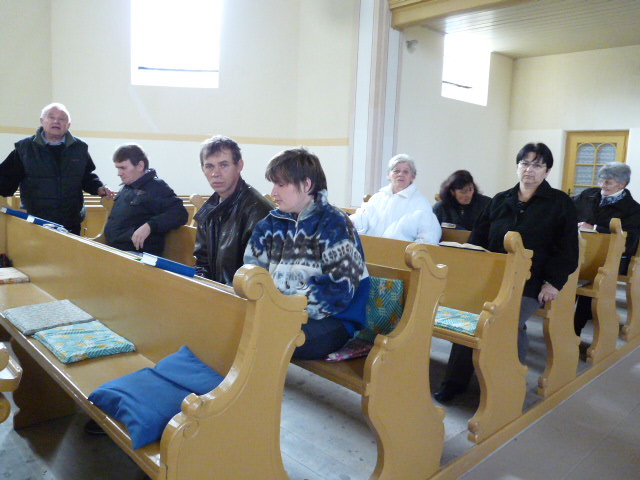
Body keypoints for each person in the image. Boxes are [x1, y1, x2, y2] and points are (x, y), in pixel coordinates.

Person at [434, 142, 579, 403]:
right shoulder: (501, 200)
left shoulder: (560, 203)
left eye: (537, 165)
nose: (529, 170)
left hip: (532, 282)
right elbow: (478, 238)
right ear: (517, 166)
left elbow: (567, 249)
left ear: (547, 171)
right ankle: (454, 382)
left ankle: (509, 385)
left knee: (507, 320)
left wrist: (553, 283)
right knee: (471, 314)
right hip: (493, 277)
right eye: (525, 163)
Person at [244, 147, 370, 360]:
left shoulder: (335, 224)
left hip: (333, 319)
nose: (273, 192)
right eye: (273, 184)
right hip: (281, 311)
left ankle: (252, 383)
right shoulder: (270, 224)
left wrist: (282, 307)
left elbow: (337, 290)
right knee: (235, 325)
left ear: (307, 185)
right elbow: (253, 272)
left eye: (281, 185)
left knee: (265, 337)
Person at [0, 103, 113, 234]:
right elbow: (6, 178)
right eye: (51, 117)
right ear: (42, 121)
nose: (56, 121)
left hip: (71, 222)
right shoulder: (25, 148)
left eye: (62, 118)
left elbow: (86, 176)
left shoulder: (79, 148)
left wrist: (98, 187)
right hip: (36, 222)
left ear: (68, 125)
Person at [193, 135, 273, 285]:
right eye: (209, 166)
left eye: (224, 165)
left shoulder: (258, 211)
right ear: (202, 169)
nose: (215, 173)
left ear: (239, 165)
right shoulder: (208, 210)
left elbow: (257, 277)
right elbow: (202, 262)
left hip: (242, 295)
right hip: (215, 292)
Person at [572, 162, 640, 336]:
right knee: (565, 268)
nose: (602, 185)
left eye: (608, 182)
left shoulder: (633, 209)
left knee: (592, 274)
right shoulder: (588, 195)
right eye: (601, 180)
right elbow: (567, 210)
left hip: (612, 258)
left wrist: (595, 228)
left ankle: (576, 328)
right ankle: (562, 318)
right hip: (581, 252)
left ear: (622, 184)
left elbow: (630, 242)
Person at [103, 144, 188, 256]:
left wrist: (150, 225)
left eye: (123, 168)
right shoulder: (127, 187)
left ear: (140, 166)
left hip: (137, 255)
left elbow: (180, 213)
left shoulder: (157, 187)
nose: (119, 173)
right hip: (116, 251)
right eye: (117, 168)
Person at [349, 154, 441, 244]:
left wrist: (406, 252)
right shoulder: (377, 197)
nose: (400, 174)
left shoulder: (421, 203)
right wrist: (352, 222)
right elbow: (361, 220)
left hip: (399, 253)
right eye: (396, 171)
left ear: (413, 176)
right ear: (389, 175)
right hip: (369, 249)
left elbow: (429, 238)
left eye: (406, 172)